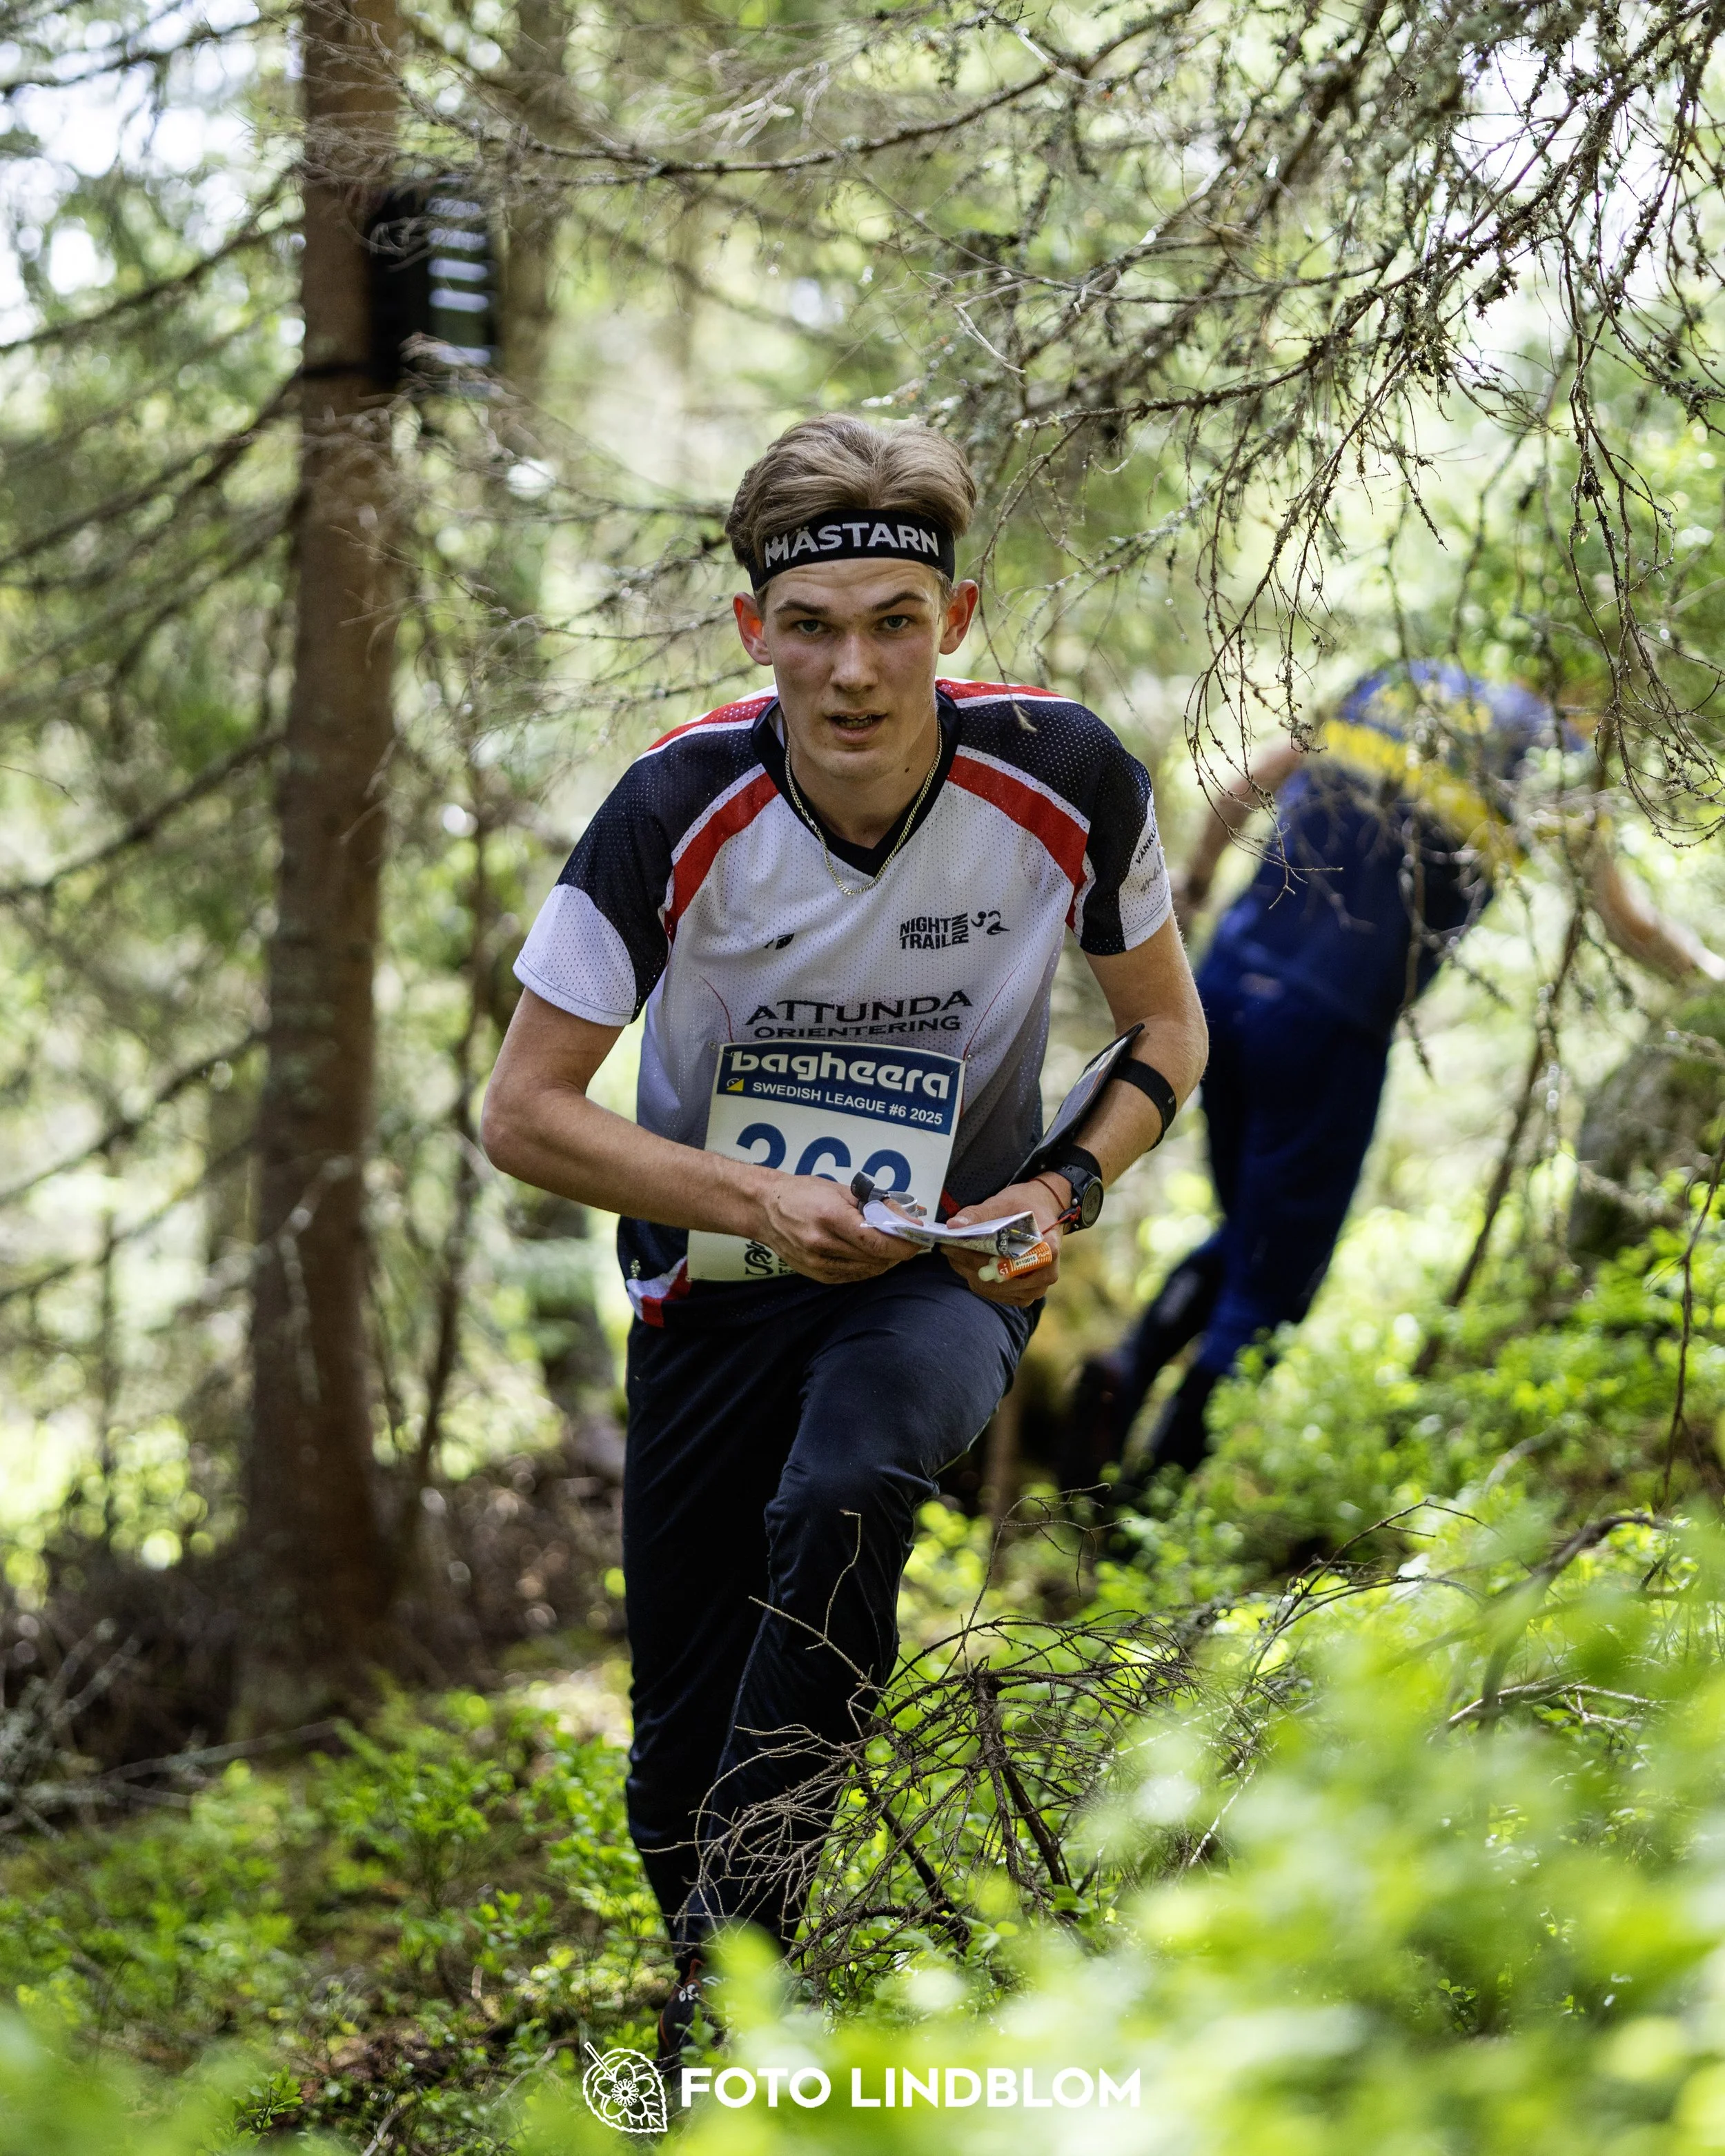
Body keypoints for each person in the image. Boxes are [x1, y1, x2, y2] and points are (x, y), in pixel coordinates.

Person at [480, 415, 1208, 2055]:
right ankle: (721, 1960)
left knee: (856, 1477)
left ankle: (735, 2008)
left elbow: (1168, 1034)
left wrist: (1059, 1188)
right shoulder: (674, 802)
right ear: (756, 636)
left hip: (943, 1273)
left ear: (956, 625)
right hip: (713, 1291)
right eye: (810, 627)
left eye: (895, 623)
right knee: (673, 1756)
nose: (854, 671)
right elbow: (522, 1110)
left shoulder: (1069, 775)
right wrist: (755, 1200)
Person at [1066, 660, 1725, 1492]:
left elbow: (1244, 784)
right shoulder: (1555, 756)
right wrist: (1707, 976)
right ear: (1591, 692)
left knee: (1250, 1230)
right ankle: (1147, 1496)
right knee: (1278, 1279)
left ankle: (1125, 1369)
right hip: (1329, 1025)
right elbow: (1625, 920)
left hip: (1220, 992)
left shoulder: (1400, 678)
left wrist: (1192, 888)